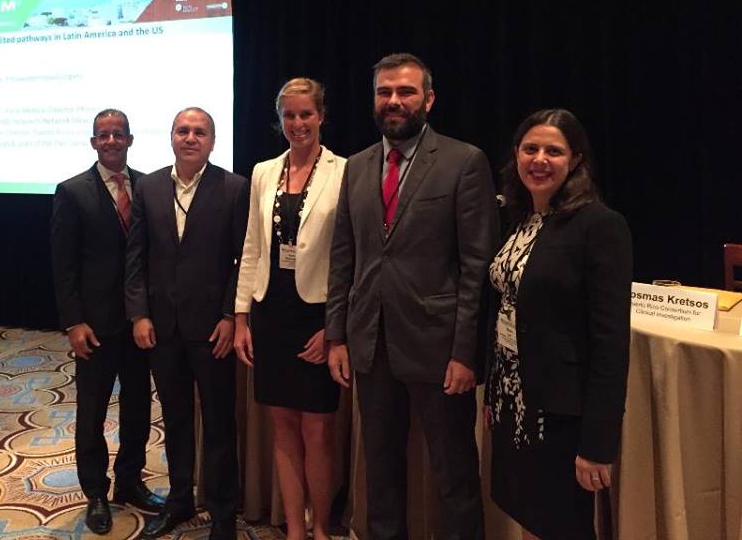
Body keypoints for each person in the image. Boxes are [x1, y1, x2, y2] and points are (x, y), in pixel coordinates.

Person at [325, 53, 499, 540]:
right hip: (371, 345)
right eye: (384, 92)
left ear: (429, 99)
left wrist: (466, 353)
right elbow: (343, 258)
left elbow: (476, 268)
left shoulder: (464, 162)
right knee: (380, 471)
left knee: (453, 474)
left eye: (405, 91)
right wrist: (337, 336)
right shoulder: (357, 166)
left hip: (439, 349)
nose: (394, 101)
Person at [484, 108, 632, 540]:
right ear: (516, 154)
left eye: (554, 151)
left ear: (576, 160)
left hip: (561, 413)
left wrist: (597, 444)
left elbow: (610, 343)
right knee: (529, 514)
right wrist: (494, 391)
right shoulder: (519, 219)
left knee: (563, 524)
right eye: (530, 149)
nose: (539, 160)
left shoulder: (600, 225)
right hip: (514, 399)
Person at [125, 107, 250, 540]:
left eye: (199, 132)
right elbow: (136, 256)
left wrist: (230, 316)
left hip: (213, 330)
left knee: (218, 424)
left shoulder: (234, 188)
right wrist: (139, 313)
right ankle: (179, 501)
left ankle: (222, 514)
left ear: (212, 142)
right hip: (162, 328)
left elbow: (244, 259)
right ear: (172, 137)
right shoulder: (148, 187)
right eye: (183, 130)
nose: (190, 137)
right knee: (175, 420)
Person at [233, 78, 346, 540]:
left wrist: (335, 330)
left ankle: (321, 529)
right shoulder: (264, 171)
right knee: (282, 429)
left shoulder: (345, 171)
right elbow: (252, 247)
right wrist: (241, 317)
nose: (298, 123)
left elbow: (350, 258)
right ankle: (295, 530)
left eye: (306, 114)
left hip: (316, 318)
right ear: (279, 119)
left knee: (317, 432)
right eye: (289, 115)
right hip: (271, 315)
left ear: (321, 116)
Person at [51, 109, 165, 535]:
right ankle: (96, 492)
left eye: (119, 134)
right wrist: (73, 323)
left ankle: (130, 481)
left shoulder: (148, 187)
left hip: (139, 322)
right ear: (93, 142)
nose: (112, 141)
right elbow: (63, 265)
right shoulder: (72, 191)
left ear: (130, 139)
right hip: (94, 327)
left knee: (138, 406)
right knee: (92, 412)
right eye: (104, 135)